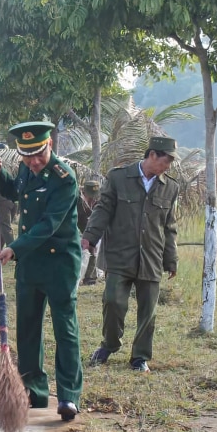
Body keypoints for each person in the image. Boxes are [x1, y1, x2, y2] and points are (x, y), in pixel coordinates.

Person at [0, 121, 82, 422]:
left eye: (38, 154)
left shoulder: (65, 179)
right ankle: (33, 391)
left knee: (64, 329)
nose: (33, 161)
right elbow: (15, 191)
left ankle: (68, 395)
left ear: (50, 145)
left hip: (59, 263)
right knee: (27, 328)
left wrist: (14, 248)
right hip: (30, 263)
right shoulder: (27, 170)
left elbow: (48, 225)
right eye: (27, 156)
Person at [81, 136, 180, 374]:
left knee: (148, 311)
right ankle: (109, 345)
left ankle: (139, 358)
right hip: (120, 254)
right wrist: (90, 236)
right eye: (166, 161)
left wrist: (171, 259)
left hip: (152, 257)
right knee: (113, 301)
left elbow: (169, 226)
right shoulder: (118, 178)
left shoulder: (171, 187)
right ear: (152, 155)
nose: (168, 167)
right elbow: (103, 209)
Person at [77, 180, 102, 285]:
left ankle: (90, 277)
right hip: (76, 228)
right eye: (90, 195)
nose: (93, 198)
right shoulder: (77, 200)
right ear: (84, 191)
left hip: (89, 228)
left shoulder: (97, 201)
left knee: (93, 249)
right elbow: (78, 218)